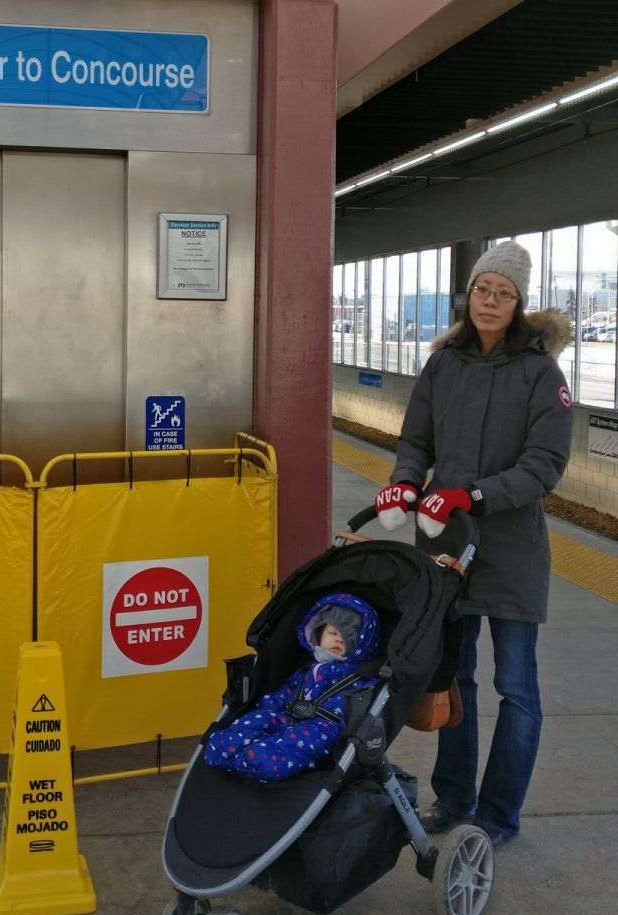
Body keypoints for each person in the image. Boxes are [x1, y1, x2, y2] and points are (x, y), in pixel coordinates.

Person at [373, 240, 573, 849]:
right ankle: (454, 798)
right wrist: (406, 482)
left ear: (519, 303)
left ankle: (497, 816)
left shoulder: (542, 374)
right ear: (469, 295)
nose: (491, 301)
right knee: (452, 678)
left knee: (516, 685)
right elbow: (416, 440)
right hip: (446, 548)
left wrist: (474, 495)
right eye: (484, 289)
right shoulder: (443, 364)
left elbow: (545, 464)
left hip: (510, 551)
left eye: (504, 293)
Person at [204, 592, 381, 781]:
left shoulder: (357, 676)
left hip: (324, 727)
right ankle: (231, 747)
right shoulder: (306, 669)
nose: (339, 640)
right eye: (333, 633)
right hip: (289, 716)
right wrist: (268, 709)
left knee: (299, 741)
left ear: (360, 645)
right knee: (259, 718)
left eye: (349, 638)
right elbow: (284, 694)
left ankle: (264, 758)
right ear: (319, 634)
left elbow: (353, 706)